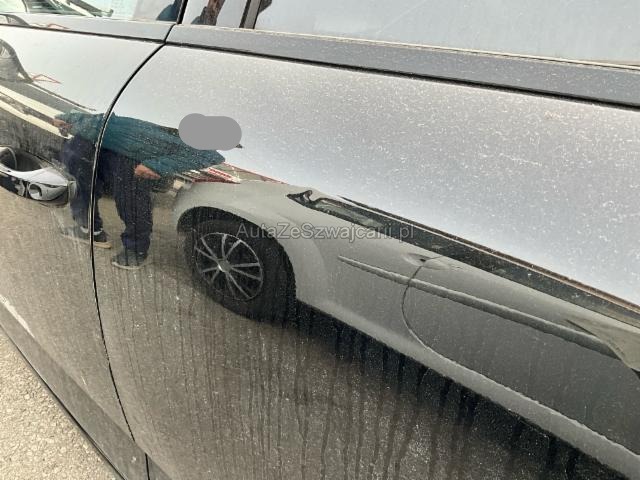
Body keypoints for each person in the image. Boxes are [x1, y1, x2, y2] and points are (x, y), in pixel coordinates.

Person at [56, 111, 225, 269]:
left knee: (131, 204)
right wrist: (71, 118)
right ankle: (89, 230)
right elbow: (109, 112)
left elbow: (210, 154)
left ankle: (136, 249)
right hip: (94, 140)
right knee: (80, 186)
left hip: (135, 156)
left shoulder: (184, 109)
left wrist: (158, 165)